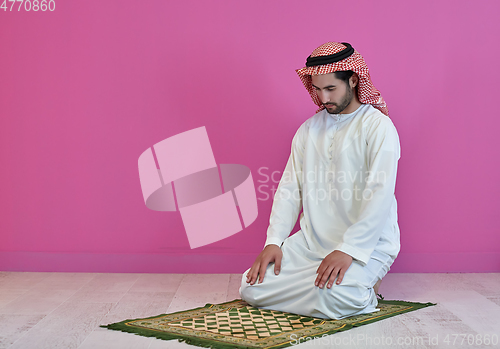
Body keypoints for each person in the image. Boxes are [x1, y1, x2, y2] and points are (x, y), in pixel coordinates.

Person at [239, 42, 401, 320]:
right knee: (251, 287)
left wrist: (348, 250)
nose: (323, 97)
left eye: (331, 89)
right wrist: (274, 241)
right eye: (317, 89)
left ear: (353, 79)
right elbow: (290, 190)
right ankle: (324, 290)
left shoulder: (378, 127)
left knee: (339, 296)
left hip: (366, 245)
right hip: (312, 244)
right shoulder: (308, 130)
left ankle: (362, 286)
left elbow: (379, 195)